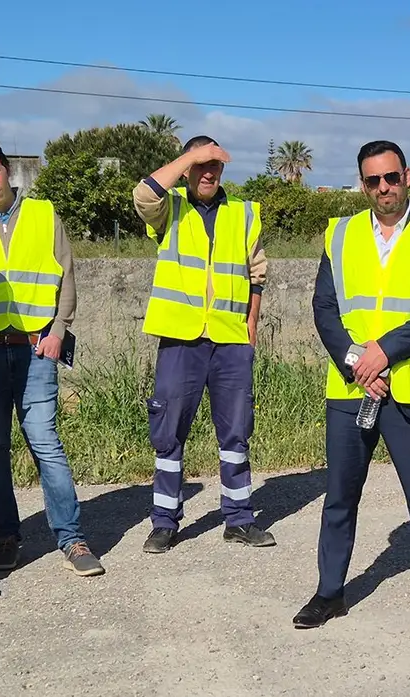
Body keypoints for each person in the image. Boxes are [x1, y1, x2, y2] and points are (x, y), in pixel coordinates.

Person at [292, 140, 410, 642]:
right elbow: (325, 308)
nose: (384, 188)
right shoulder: (340, 234)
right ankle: (330, 593)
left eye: (392, 177)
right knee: (339, 498)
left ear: (407, 176)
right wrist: (357, 361)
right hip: (352, 387)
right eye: (373, 181)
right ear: (362, 184)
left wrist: (382, 353)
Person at [0, 140, 104, 578]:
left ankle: (71, 537)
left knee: (45, 442)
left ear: (8, 171)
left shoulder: (43, 213)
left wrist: (59, 330)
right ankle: (7, 536)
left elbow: (67, 273)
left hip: (36, 348)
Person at [133, 135, 273, 552]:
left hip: (230, 341)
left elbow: (257, 276)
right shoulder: (170, 208)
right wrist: (191, 155)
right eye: (201, 165)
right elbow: (143, 194)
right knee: (169, 432)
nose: (208, 172)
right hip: (181, 338)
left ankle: (239, 518)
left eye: (215, 165)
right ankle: (164, 521)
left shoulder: (245, 214)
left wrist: (250, 330)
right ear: (189, 167)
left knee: (235, 432)